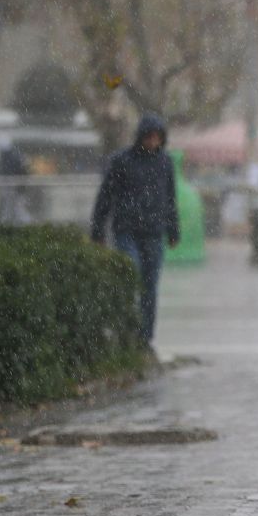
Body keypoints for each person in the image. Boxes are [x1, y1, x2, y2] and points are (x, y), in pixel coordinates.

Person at [90, 114, 180, 345]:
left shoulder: (165, 163)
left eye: (157, 137)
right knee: (132, 275)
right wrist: (98, 230)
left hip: (153, 232)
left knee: (150, 286)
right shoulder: (121, 161)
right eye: (149, 137)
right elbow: (105, 196)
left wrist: (173, 230)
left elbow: (170, 198)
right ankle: (126, 330)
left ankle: (145, 336)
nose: (153, 142)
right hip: (127, 230)